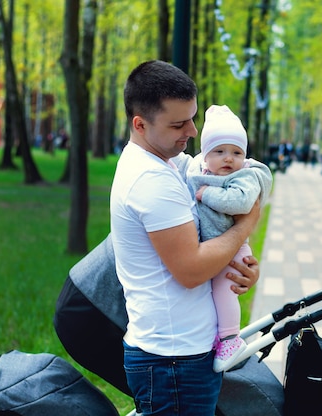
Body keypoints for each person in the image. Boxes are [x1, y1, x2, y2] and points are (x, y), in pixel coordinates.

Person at [110, 60, 261, 416]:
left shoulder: (165, 164)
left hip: (179, 354)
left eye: (192, 118)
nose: (192, 131)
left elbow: (202, 246)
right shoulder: (151, 180)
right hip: (173, 361)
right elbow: (191, 269)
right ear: (140, 124)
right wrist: (246, 225)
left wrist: (238, 265)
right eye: (178, 124)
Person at [186, 104, 272, 373]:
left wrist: (206, 195)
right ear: (205, 155)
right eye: (219, 152)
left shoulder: (244, 177)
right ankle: (221, 335)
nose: (228, 159)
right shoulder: (201, 173)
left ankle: (231, 338)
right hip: (215, 247)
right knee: (215, 293)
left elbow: (241, 202)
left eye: (236, 152)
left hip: (232, 251)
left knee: (225, 291)